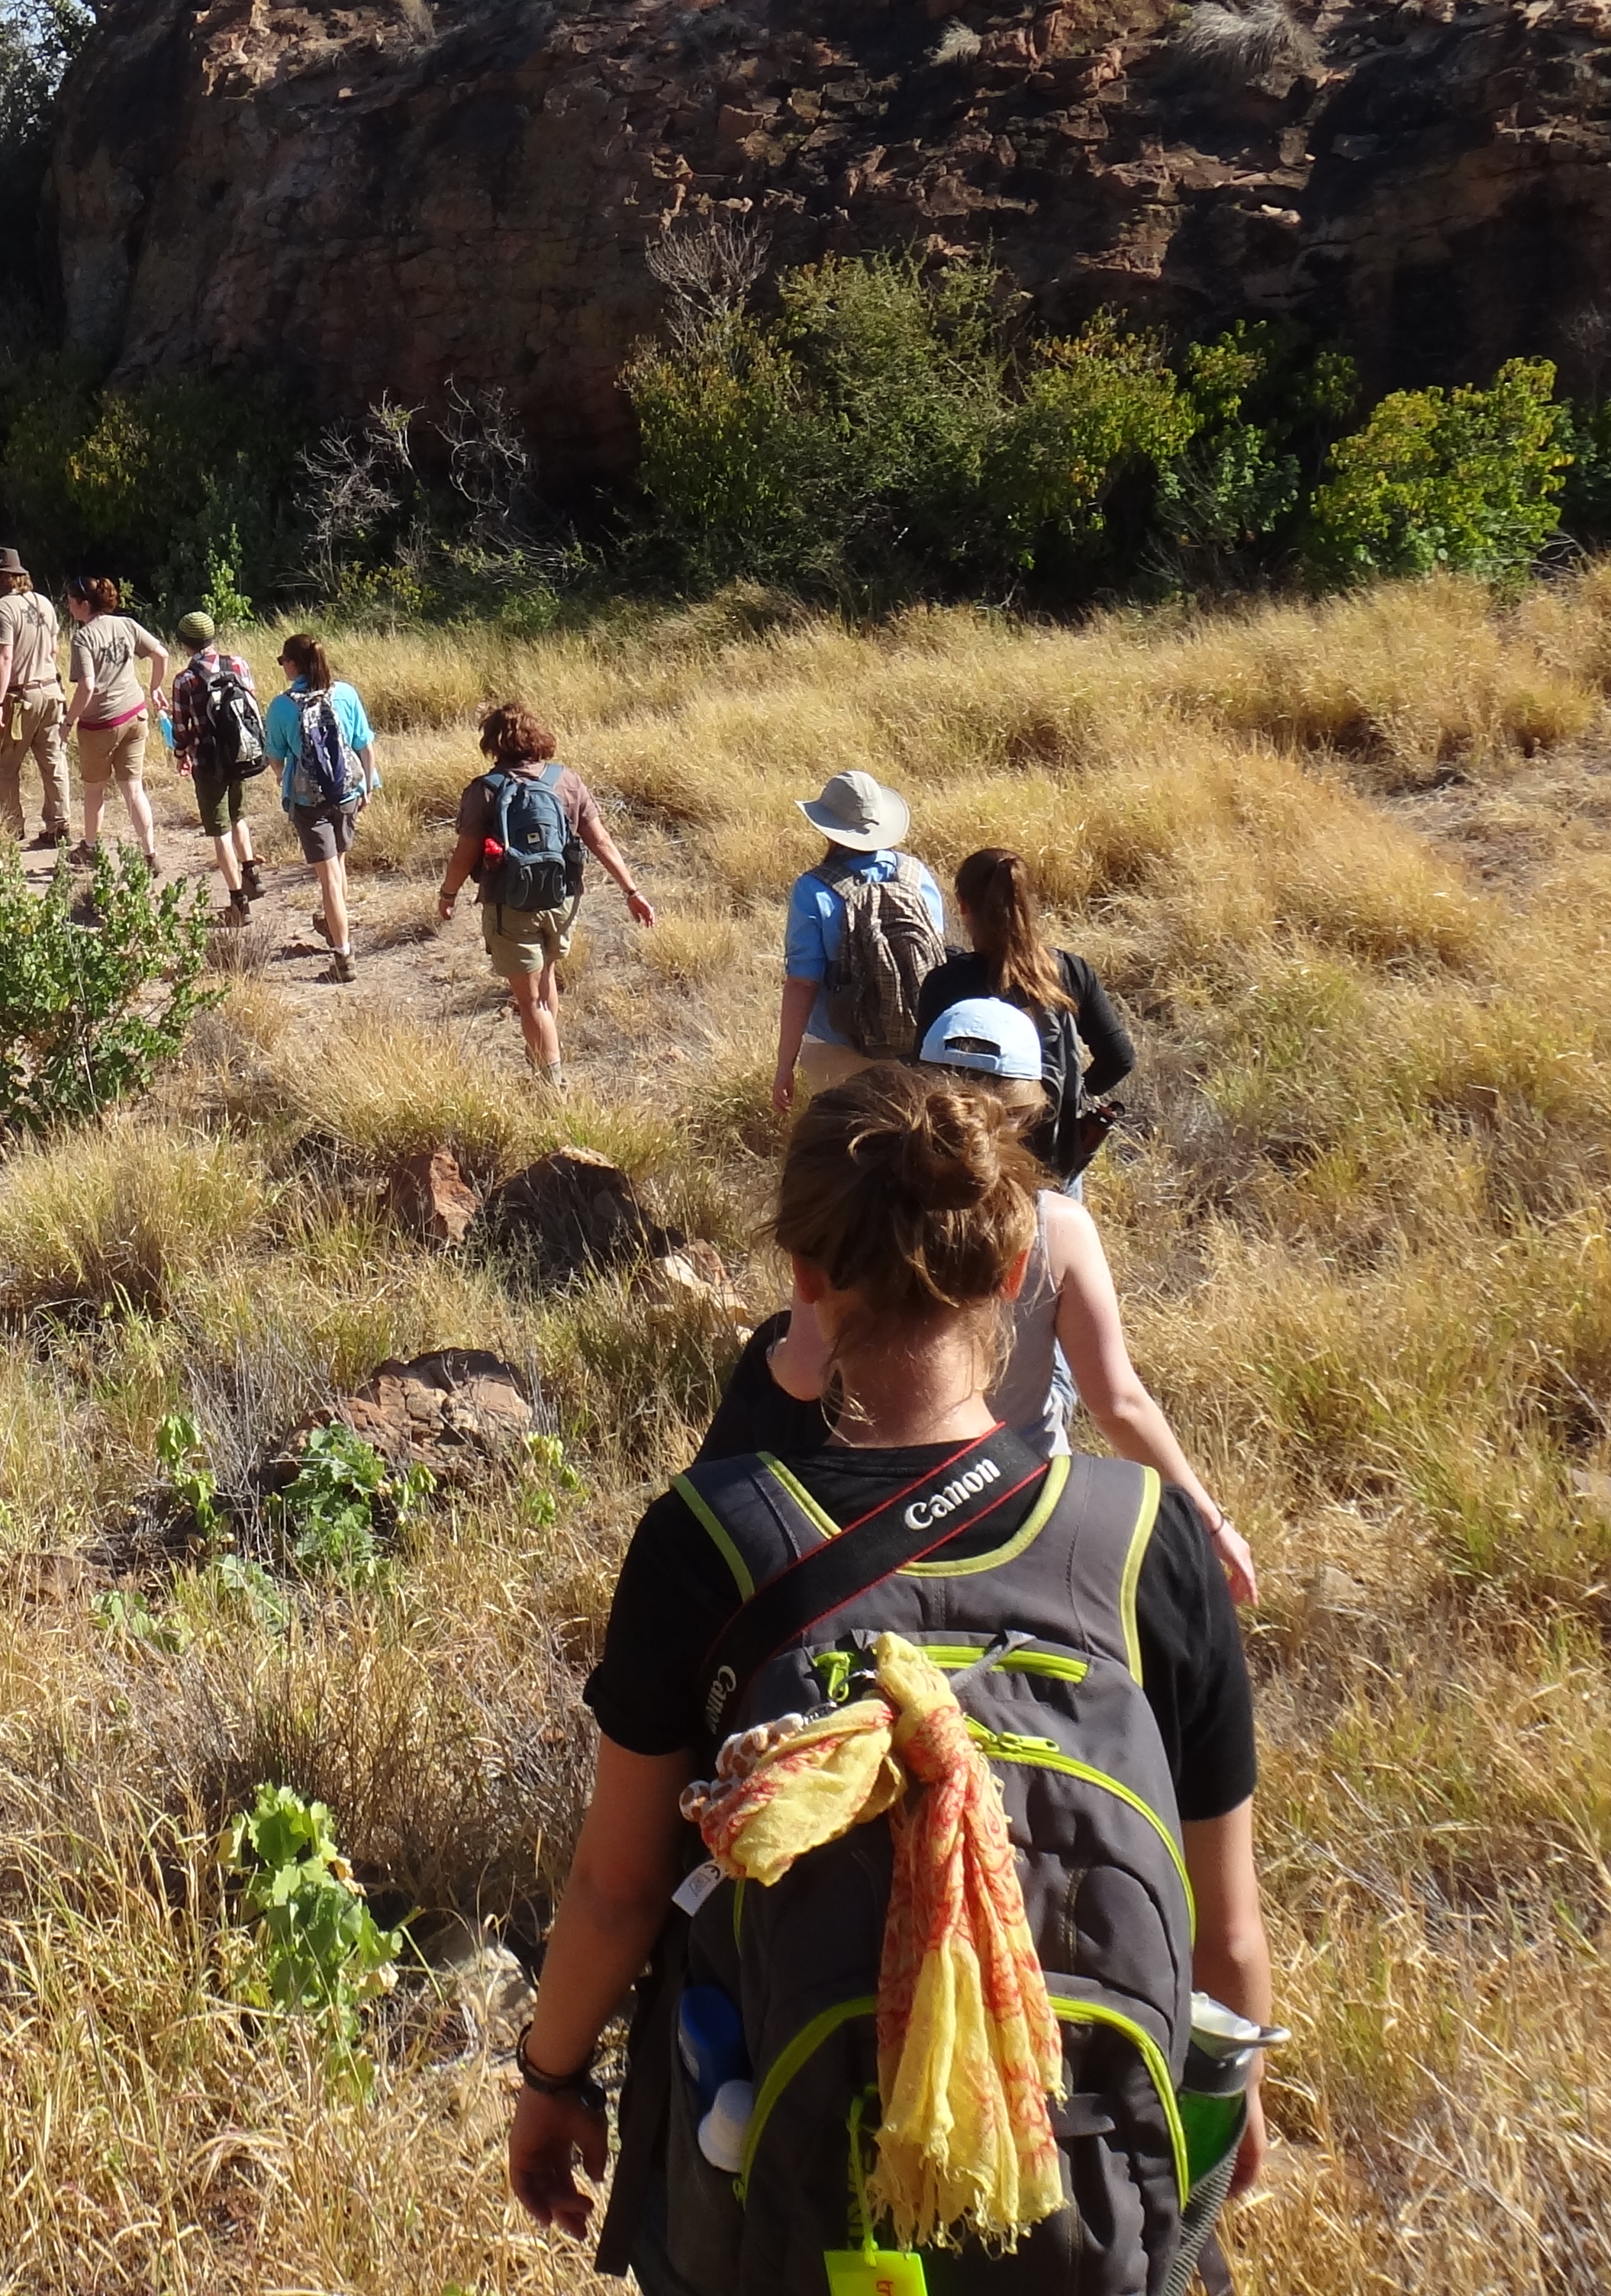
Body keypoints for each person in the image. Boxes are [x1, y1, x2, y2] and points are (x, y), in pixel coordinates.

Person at [511, 1064, 1271, 2294]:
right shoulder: (1145, 1540)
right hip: (1083, 2208)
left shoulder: (711, 1540)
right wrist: (1224, 2107)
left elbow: (614, 1888)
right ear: (1021, 1270)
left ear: (805, 1278)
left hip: (790, 2198)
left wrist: (551, 2082)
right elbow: (1226, 1929)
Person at [699, 1000, 1259, 1605]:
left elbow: (806, 1377)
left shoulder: (857, 1212)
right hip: (1028, 1502)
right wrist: (1207, 1518)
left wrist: (769, 1355)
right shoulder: (1061, 1228)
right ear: (1026, 1107)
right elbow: (1117, 1402)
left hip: (878, 1507)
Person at [435, 701, 656, 1090]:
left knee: (529, 1000)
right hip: (561, 898)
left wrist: (448, 893)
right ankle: (545, 1063)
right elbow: (600, 840)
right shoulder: (566, 781)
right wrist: (631, 891)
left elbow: (465, 852)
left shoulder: (484, 791)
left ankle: (553, 1089)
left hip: (511, 903)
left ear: (493, 744)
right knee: (546, 980)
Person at [914, 848, 1138, 1187]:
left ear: (963, 905)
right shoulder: (1070, 972)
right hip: (1053, 1156)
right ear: (1027, 902)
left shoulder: (947, 982)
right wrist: (1072, 1095)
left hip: (974, 1157)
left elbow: (924, 1074)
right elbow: (1120, 1058)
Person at [772, 766, 945, 1116]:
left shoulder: (813, 889)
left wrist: (784, 1066)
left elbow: (803, 984)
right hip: (917, 1041)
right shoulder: (916, 875)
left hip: (837, 1042)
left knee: (847, 1148)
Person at [260, 633, 380, 982]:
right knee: (338, 865)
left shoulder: (282, 706)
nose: (282, 666)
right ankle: (333, 923)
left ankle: (344, 956)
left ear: (293, 664)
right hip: (347, 794)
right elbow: (365, 746)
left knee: (328, 877)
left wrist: (288, 785)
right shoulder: (345, 693)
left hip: (308, 802)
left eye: (283, 661)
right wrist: (367, 786)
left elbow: (276, 758)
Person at [164, 612, 270, 924]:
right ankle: (252, 873)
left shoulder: (185, 680)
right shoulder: (238, 664)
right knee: (239, 816)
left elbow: (182, 729)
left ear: (185, 643)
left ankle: (238, 902)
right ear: (212, 636)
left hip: (208, 762)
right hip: (241, 753)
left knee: (219, 829)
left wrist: (181, 754)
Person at [65, 578, 170, 874]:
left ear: (84, 604)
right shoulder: (125, 624)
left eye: (71, 600)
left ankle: (90, 848)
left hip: (100, 724)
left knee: (94, 790)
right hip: (135, 715)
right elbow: (161, 654)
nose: (68, 605)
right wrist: (155, 688)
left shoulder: (83, 637)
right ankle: (150, 854)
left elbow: (86, 686)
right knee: (134, 790)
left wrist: (67, 722)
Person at [0, 546, 72, 851]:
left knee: (5, 766)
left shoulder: (2, 609)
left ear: (4, 577)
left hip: (21, 698)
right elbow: (55, 650)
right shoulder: (43, 603)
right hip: (51, 692)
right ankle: (59, 826)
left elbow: (5, 658)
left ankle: (12, 828)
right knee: (53, 761)